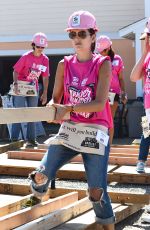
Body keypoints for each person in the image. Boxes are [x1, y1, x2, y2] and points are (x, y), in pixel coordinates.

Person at [28, 10, 115, 229]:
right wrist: (51, 107)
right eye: (72, 34)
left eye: (82, 34)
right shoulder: (64, 65)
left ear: (93, 36)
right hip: (71, 129)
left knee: (96, 191)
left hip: (95, 130)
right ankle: (36, 197)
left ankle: (107, 222)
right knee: (39, 176)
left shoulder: (103, 64)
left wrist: (69, 107)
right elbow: (55, 99)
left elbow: (99, 102)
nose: (76, 38)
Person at [11, 32, 50, 147]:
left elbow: (45, 76)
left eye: (43, 47)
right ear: (33, 45)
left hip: (33, 87)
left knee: (32, 114)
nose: (40, 49)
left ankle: (31, 140)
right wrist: (16, 84)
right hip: (21, 85)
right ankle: (14, 140)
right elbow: (15, 71)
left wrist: (45, 93)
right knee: (18, 112)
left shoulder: (45, 59)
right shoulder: (26, 56)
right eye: (38, 46)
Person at [96, 35, 127, 144]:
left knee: (109, 119)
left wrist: (124, 93)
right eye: (100, 51)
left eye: (104, 50)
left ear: (109, 47)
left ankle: (108, 146)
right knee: (99, 120)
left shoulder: (117, 59)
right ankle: (100, 144)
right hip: (100, 93)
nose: (102, 53)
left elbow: (121, 78)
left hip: (114, 94)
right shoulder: (97, 59)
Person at [130, 17, 150, 173]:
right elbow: (134, 77)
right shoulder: (147, 57)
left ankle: (141, 161)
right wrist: (144, 53)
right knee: (146, 132)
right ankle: (141, 160)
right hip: (148, 104)